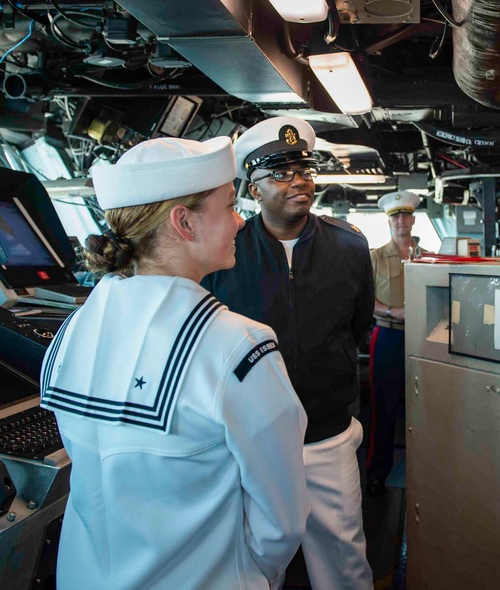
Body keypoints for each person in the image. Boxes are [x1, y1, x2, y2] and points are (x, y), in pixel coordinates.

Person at [40, 136, 309, 590]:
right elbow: (281, 519)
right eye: (228, 206)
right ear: (183, 222)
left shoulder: (70, 332)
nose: (240, 221)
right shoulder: (239, 348)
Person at [202, 116, 375, 590]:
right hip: (246, 439)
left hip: (326, 434)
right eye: (280, 173)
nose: (298, 182)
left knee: (343, 560)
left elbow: (357, 325)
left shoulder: (350, 246)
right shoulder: (225, 251)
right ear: (253, 188)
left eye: (304, 169)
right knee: (252, 564)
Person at [365, 190, 426, 497]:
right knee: (383, 408)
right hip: (387, 335)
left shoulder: (428, 256)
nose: (402, 220)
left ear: (413, 220)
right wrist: (392, 311)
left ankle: (428, 470)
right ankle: (377, 472)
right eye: (396, 216)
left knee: (427, 408)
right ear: (389, 221)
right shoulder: (374, 257)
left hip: (423, 339)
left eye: (406, 215)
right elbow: (364, 301)